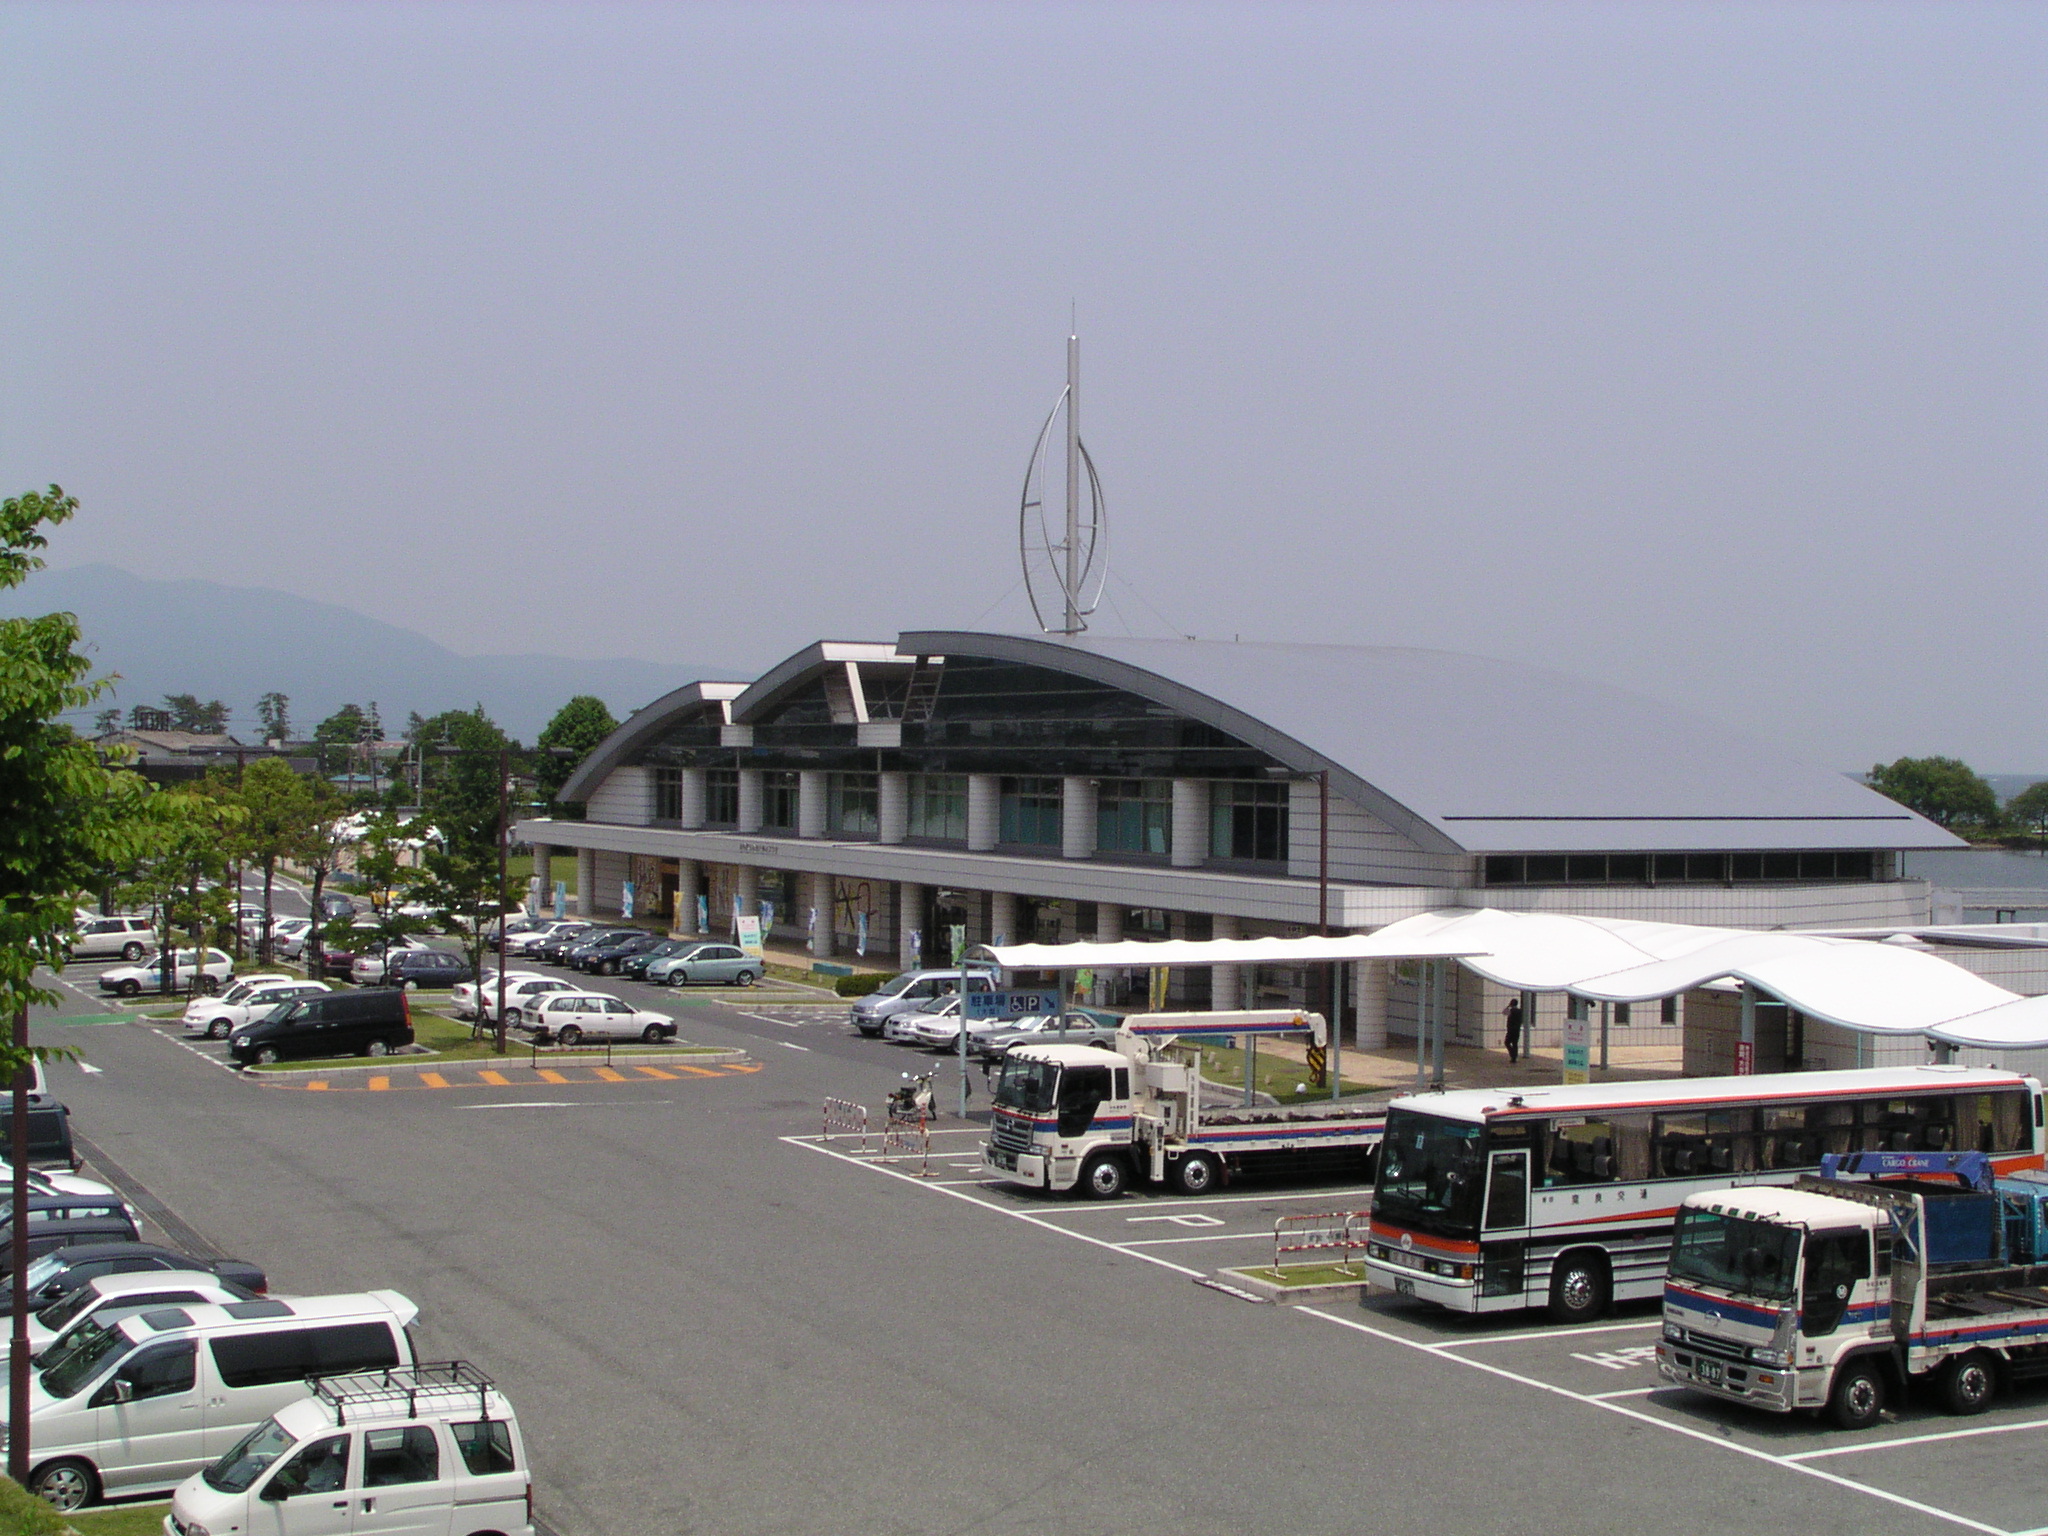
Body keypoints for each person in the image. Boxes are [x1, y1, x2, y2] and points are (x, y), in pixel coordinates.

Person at [1503, 996, 1524, 1064]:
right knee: (1515, 1043)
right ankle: (1514, 1056)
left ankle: (1513, 1055)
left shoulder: (1511, 1010)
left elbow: (1504, 1012)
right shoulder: (1520, 1011)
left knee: (1507, 1042)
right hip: (1517, 1029)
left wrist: (1508, 1006)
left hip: (1511, 1029)